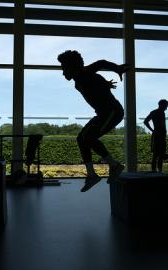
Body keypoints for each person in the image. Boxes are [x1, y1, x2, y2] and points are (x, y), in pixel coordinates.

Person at [57, 50, 129, 192]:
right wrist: (105, 84)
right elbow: (97, 84)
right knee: (81, 138)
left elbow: (101, 63)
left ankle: (114, 166)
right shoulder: (79, 80)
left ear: (73, 67)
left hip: (112, 112)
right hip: (102, 114)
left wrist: (117, 69)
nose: (63, 72)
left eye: (64, 68)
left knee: (89, 137)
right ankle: (91, 175)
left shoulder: (85, 73)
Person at [143, 99, 168, 172]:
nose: (166, 108)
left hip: (160, 136)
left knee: (158, 155)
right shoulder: (156, 112)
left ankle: (156, 171)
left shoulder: (159, 112)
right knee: (157, 155)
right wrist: (153, 130)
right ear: (161, 105)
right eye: (166, 106)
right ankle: (156, 171)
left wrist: (153, 130)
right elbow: (145, 121)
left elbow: (146, 121)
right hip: (158, 136)